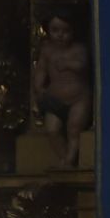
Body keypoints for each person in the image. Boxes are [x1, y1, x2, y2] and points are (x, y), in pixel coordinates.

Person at [33, 12, 91, 170]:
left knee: (74, 129)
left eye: (65, 31)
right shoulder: (47, 50)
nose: (60, 35)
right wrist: (39, 87)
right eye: (55, 30)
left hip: (78, 99)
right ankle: (64, 158)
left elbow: (82, 64)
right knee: (52, 130)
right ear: (48, 31)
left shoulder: (79, 48)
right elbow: (41, 70)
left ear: (73, 31)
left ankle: (71, 158)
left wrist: (68, 64)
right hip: (55, 98)